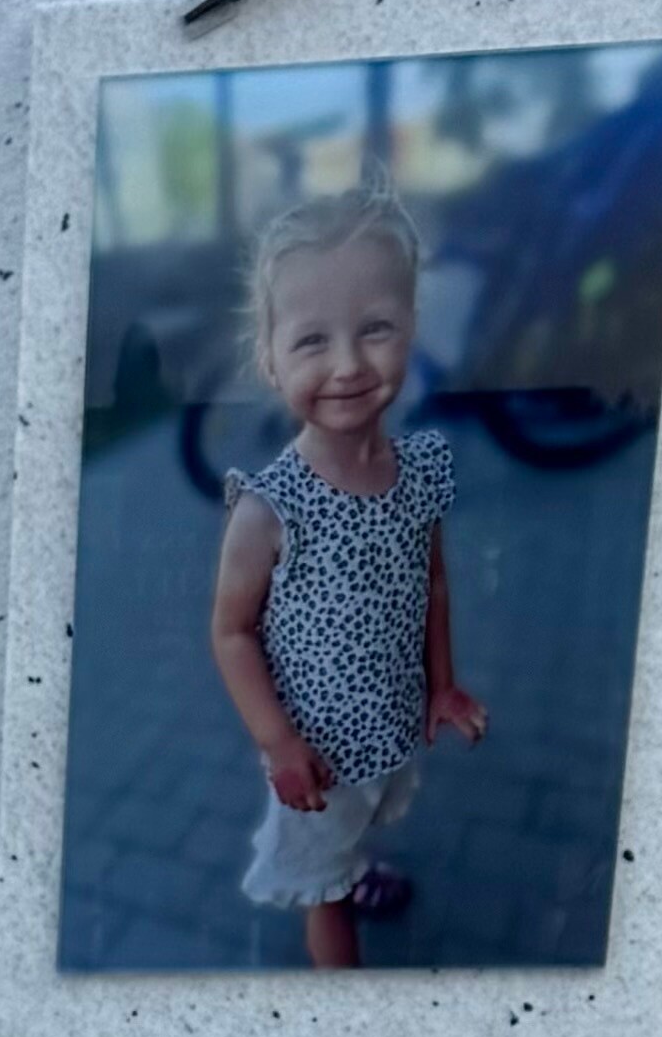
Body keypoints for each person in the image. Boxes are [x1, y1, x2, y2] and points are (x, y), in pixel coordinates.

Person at [205, 188, 485, 970]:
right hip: (316, 760)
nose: (349, 364)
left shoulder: (420, 471)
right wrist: (279, 744)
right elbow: (231, 632)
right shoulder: (269, 509)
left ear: (412, 327)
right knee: (323, 895)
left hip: (388, 728)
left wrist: (442, 685)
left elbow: (431, 583)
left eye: (375, 329)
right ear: (270, 358)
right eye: (312, 340)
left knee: (352, 835)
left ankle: (352, 866)